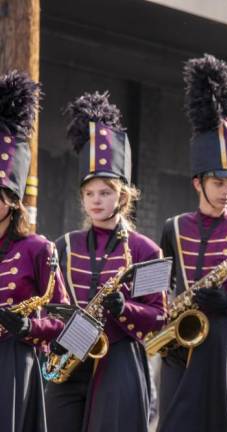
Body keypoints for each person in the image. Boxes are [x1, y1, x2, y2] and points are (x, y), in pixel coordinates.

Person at [157, 54, 227, 432]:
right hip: (180, 347)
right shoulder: (173, 227)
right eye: (219, 183)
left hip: (226, 344)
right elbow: (158, 292)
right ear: (198, 182)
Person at [44, 91, 166, 432]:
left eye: (105, 192)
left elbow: (159, 318)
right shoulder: (63, 245)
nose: (96, 200)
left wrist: (124, 308)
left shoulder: (148, 251)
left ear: (123, 195)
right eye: (90, 193)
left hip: (120, 363)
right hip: (69, 359)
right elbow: (50, 305)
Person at [0, 70, 69, 432]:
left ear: (12, 202)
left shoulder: (38, 248)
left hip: (15, 360)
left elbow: (64, 319)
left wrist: (29, 326)